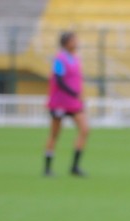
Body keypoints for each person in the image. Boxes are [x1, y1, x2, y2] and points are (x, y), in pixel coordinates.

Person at [43, 31, 89, 177]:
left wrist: (79, 96)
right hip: (60, 102)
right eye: (73, 40)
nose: (76, 43)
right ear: (66, 43)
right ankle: (47, 168)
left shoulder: (76, 58)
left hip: (73, 102)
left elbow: (76, 80)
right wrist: (73, 93)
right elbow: (59, 80)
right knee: (55, 134)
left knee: (85, 129)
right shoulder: (59, 59)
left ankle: (74, 166)